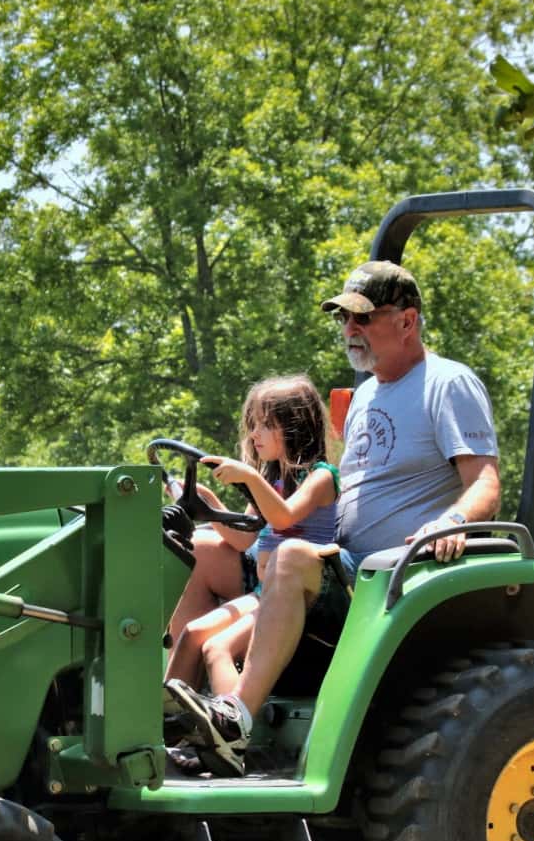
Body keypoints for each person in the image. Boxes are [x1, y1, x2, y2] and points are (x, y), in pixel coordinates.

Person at [169, 260, 500, 775]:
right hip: (346, 568)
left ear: (408, 321)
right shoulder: (367, 394)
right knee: (207, 546)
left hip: (395, 577)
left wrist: (446, 522)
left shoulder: (447, 383)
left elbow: (484, 483)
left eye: (363, 319)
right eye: (344, 319)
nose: (350, 330)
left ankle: (236, 719)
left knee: (292, 555)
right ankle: (169, 713)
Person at [162, 375, 342, 704]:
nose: (254, 434)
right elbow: (244, 540)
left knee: (217, 649)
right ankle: (165, 727)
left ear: (294, 427)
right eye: (253, 425)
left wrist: (250, 477)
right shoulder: (271, 480)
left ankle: (230, 734)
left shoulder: (321, 478)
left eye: (265, 425)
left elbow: (284, 516)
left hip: (287, 597)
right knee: (191, 635)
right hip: (260, 593)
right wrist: (210, 507)